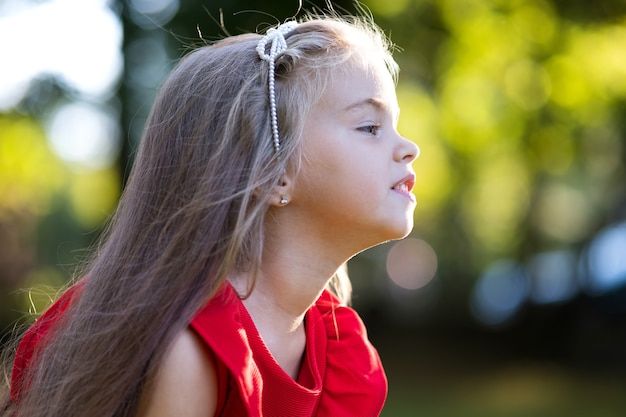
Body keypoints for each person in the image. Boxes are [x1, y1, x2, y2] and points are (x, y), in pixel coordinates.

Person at [1, 8, 419, 417]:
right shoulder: (195, 351)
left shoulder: (340, 352)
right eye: (369, 127)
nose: (409, 147)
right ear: (273, 172)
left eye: (396, 125)